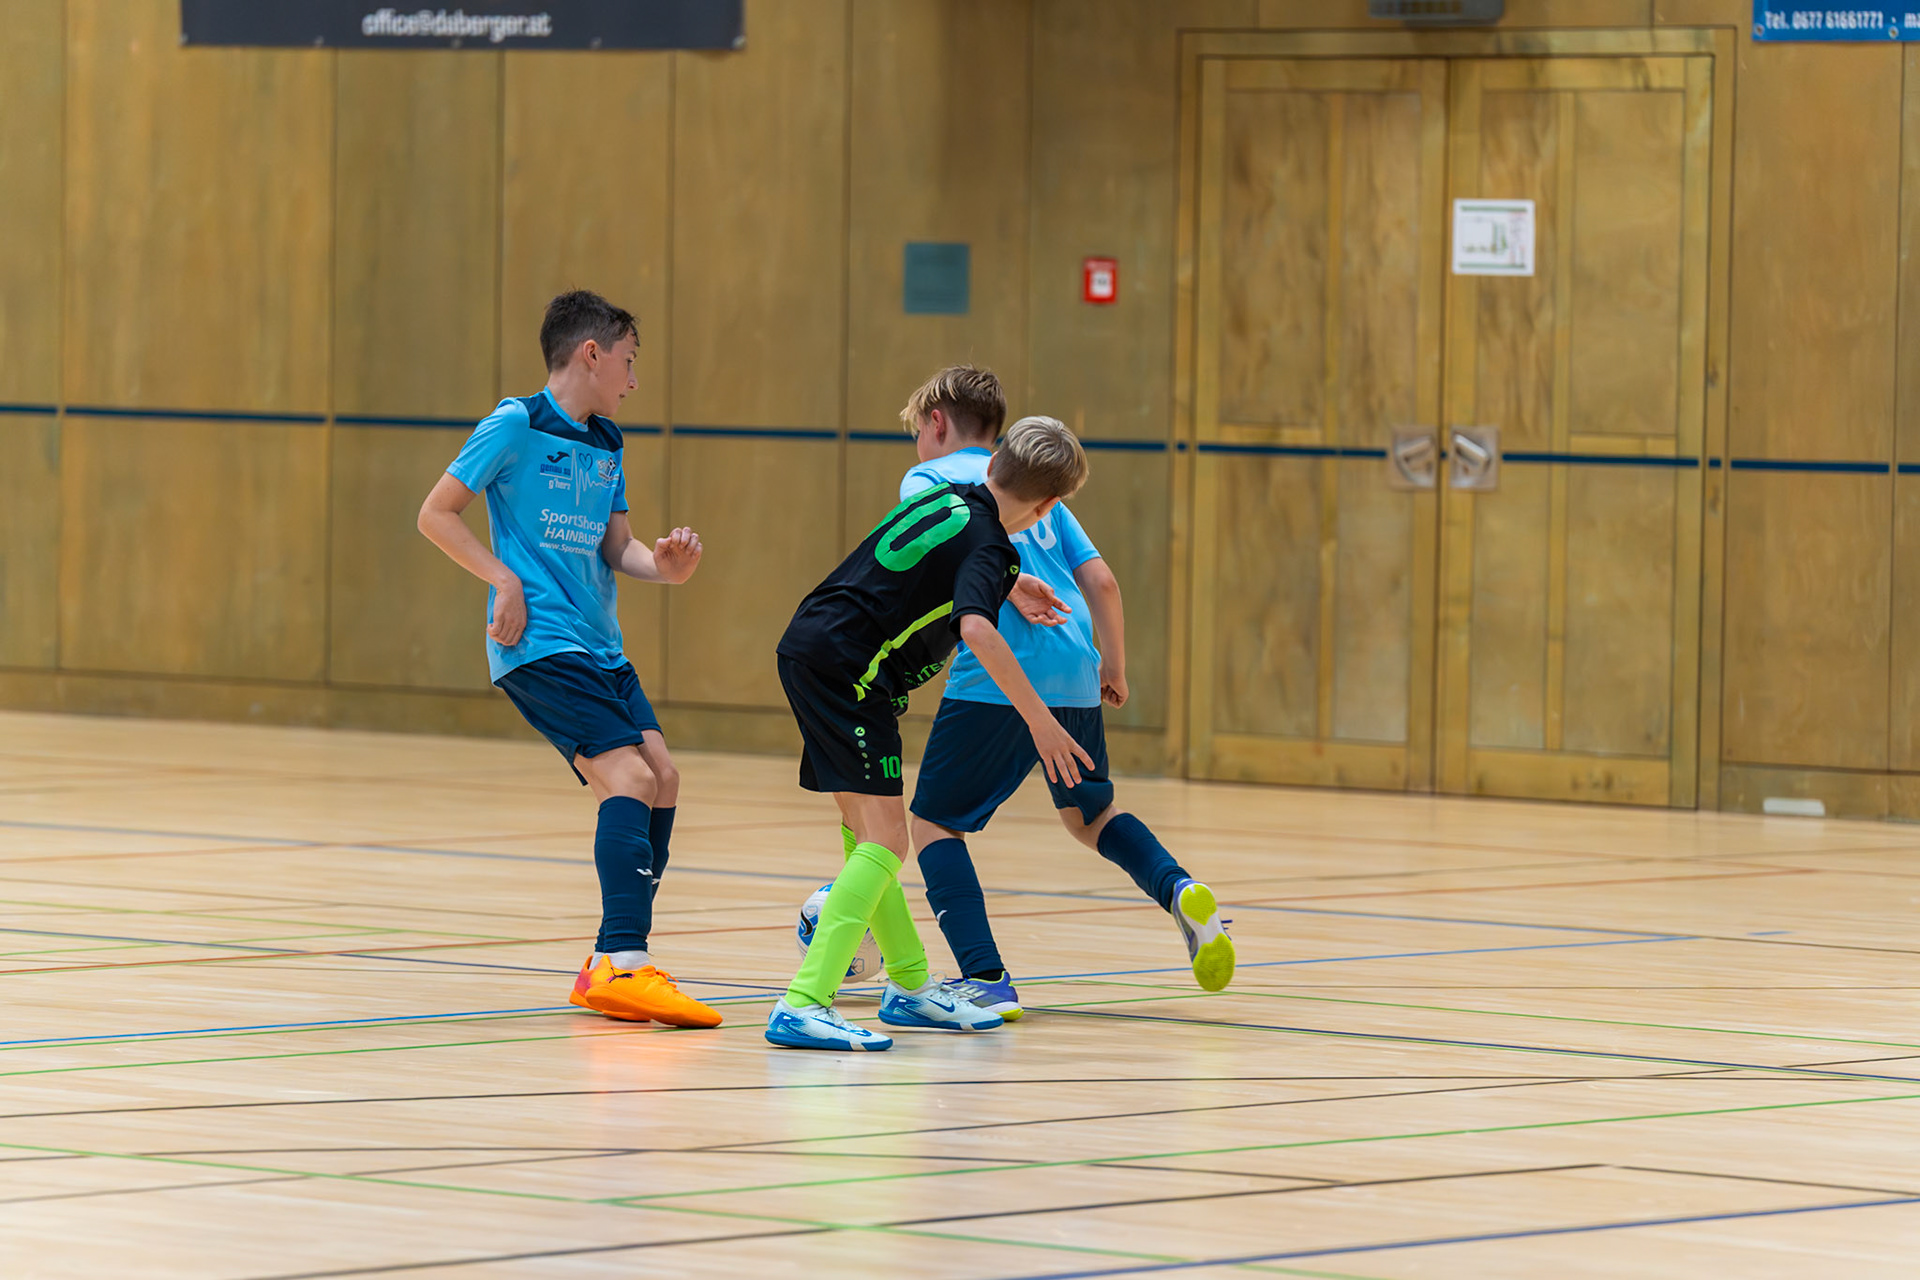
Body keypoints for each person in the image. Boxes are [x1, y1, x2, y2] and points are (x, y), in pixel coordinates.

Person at [417, 289, 719, 1030]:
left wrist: (664, 567)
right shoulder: (515, 423)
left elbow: (618, 548)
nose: (633, 380)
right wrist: (503, 580)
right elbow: (435, 513)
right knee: (628, 777)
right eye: (628, 361)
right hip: (540, 642)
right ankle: (625, 961)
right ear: (591, 353)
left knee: (664, 778)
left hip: (601, 645)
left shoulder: (608, 442)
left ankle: (607, 963)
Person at [766, 369, 1094, 1051]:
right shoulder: (993, 547)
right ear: (1047, 506)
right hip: (851, 672)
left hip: (816, 649)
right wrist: (1040, 720)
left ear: (993, 464)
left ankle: (911, 985)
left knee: (868, 833)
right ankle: (804, 1001)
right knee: (888, 840)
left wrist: (1009, 583)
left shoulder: (951, 499)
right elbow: (975, 627)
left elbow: (933, 565)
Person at [902, 411, 1234, 1022]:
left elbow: (942, 566)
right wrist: (1114, 666)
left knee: (933, 825)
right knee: (1091, 815)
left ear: (937, 424)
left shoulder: (934, 480)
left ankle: (985, 977)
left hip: (998, 673)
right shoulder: (1045, 494)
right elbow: (1101, 582)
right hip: (1076, 662)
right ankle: (1178, 888)